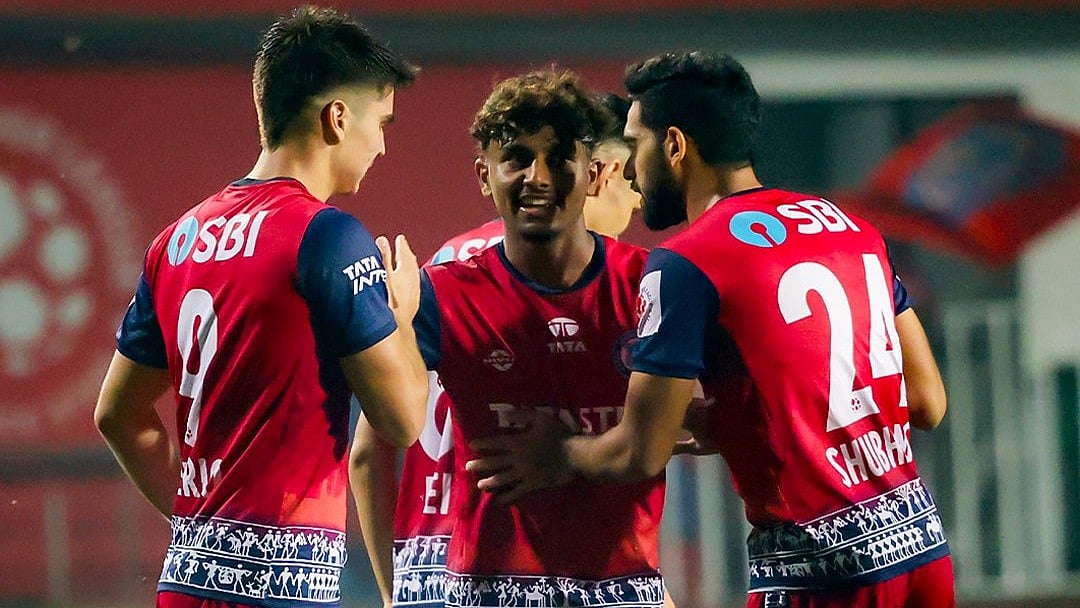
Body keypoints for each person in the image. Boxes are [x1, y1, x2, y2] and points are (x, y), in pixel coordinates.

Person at [468, 51, 954, 608]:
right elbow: (927, 401)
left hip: (821, 573)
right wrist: (736, 422)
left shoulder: (686, 263)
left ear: (674, 145)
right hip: (923, 555)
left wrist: (561, 455)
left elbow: (640, 455)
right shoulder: (849, 227)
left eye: (635, 143)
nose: (627, 167)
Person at [93, 6, 429, 608]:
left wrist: (202, 530)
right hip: (285, 593)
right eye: (382, 122)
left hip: (186, 583)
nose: (382, 144)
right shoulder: (326, 236)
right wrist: (401, 317)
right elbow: (403, 419)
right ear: (337, 117)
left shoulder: (176, 240)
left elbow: (118, 415)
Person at [353, 70, 668, 608]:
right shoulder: (441, 294)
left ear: (594, 172)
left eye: (558, 158)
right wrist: (397, 326)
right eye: (518, 158)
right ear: (484, 175)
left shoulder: (653, 285)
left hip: (623, 590)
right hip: (484, 591)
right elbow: (375, 441)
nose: (538, 177)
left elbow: (718, 420)